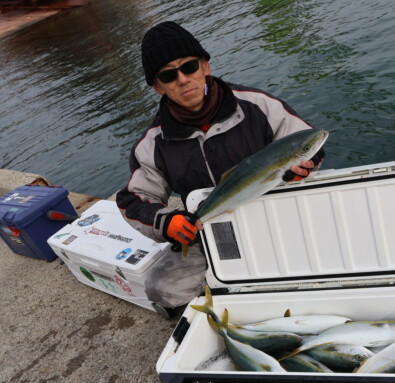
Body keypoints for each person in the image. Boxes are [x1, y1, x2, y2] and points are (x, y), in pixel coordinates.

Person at [116, 21, 324, 314]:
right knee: (161, 288)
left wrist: (305, 165)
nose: (183, 79)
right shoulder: (153, 143)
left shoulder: (257, 105)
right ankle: (224, 293)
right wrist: (168, 222)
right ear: (157, 86)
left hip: (275, 213)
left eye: (188, 67)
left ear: (205, 66)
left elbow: (305, 141)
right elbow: (133, 200)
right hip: (214, 229)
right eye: (168, 74)